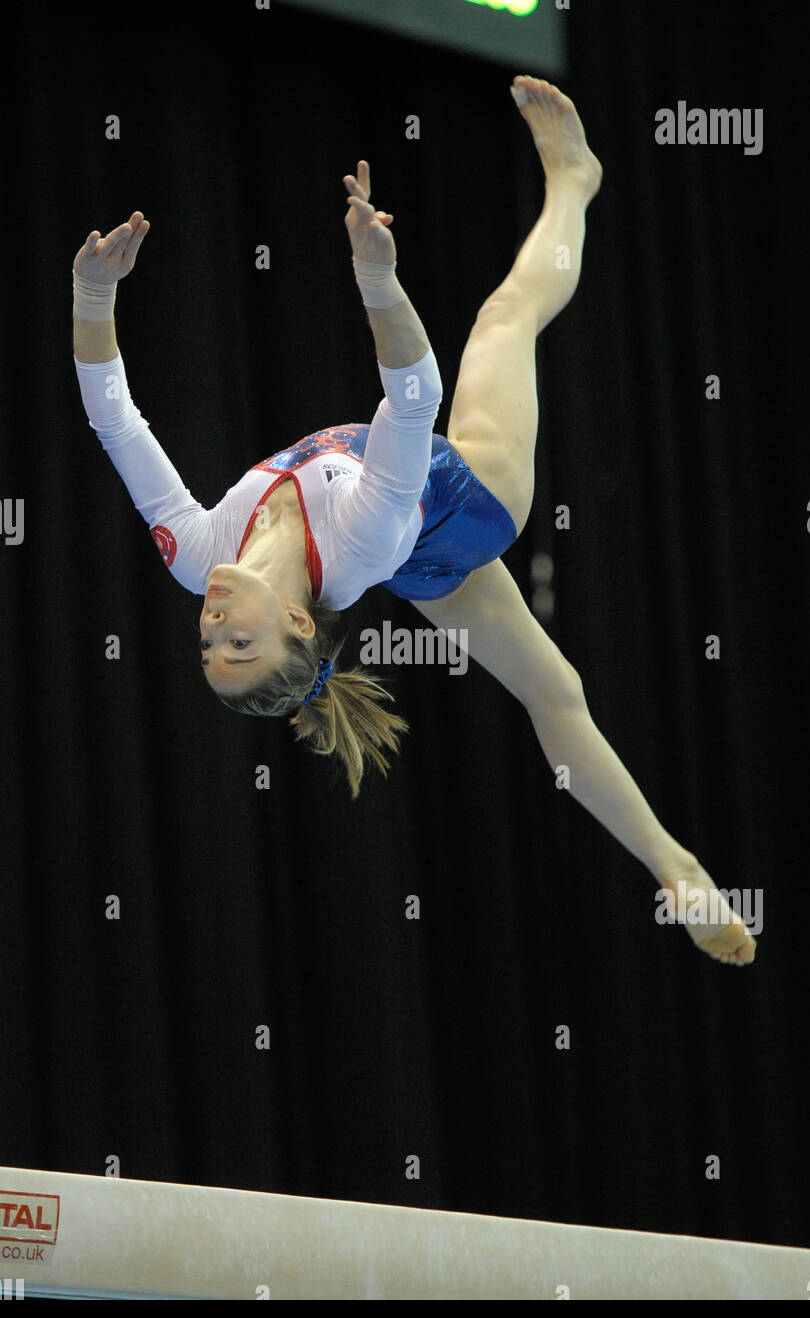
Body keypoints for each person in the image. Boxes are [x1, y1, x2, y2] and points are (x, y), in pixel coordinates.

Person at [72, 75, 756, 967]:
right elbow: (412, 401)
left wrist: (92, 297)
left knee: (553, 694)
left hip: (414, 560)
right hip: (465, 504)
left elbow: (116, 424)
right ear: (290, 625)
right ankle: (576, 180)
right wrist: (374, 276)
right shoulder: (358, 541)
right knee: (504, 321)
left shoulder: (198, 555)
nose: (211, 632)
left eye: (207, 651)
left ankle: (675, 866)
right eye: (238, 648)